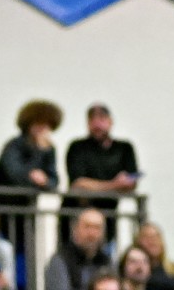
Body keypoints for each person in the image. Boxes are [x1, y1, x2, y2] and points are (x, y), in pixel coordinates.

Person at [0, 100, 62, 265]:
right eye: (38, 124)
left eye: (46, 125)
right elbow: (15, 175)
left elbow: (53, 180)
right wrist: (36, 159)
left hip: (24, 220)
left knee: (22, 267)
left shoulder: (48, 150)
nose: (42, 129)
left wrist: (45, 180)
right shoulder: (14, 145)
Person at [61, 105, 139, 245]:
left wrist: (97, 187)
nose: (97, 124)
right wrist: (115, 185)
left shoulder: (124, 148)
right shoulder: (78, 147)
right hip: (76, 217)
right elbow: (78, 184)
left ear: (110, 121)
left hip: (108, 219)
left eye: (102, 119)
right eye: (92, 119)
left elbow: (132, 181)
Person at [44, 209, 111, 290]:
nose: (92, 234)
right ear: (75, 230)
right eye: (87, 227)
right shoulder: (61, 260)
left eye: (97, 228)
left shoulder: (107, 262)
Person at [131, 224, 174, 290]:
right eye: (147, 237)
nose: (153, 241)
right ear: (138, 242)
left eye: (156, 236)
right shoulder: (132, 273)